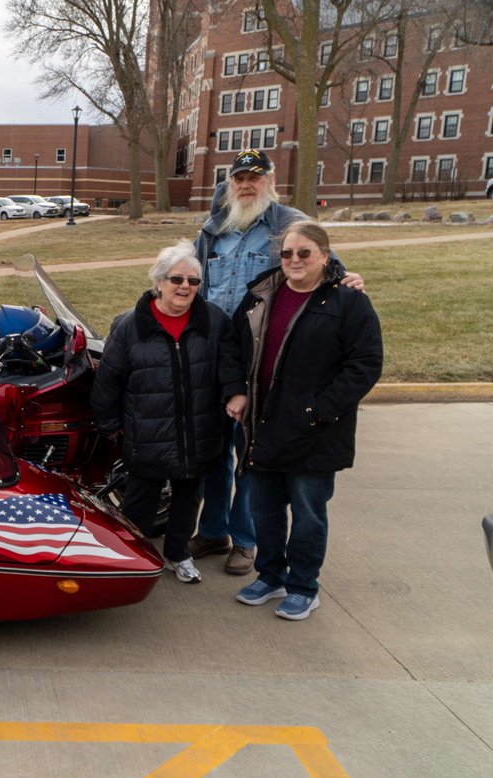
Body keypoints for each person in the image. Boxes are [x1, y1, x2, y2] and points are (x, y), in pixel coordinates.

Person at [190, 149, 364, 576]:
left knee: (250, 452)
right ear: (229, 184)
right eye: (239, 179)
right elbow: (193, 281)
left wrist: (349, 281)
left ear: (270, 181)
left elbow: (324, 266)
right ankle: (212, 531)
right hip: (214, 357)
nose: (246, 185)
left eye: (254, 177)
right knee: (212, 454)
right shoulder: (214, 229)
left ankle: (244, 539)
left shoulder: (289, 224)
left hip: (260, 359)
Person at [223, 221, 382, 620]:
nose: (294, 260)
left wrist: (318, 410)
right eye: (288, 253)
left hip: (315, 432)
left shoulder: (347, 302)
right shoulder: (261, 293)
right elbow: (231, 344)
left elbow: (364, 365)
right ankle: (270, 576)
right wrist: (236, 391)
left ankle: (303, 586)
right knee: (266, 509)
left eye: (304, 253)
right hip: (261, 425)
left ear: (325, 257)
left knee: (308, 513)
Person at [90, 241, 231, 584]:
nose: (185, 287)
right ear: (159, 281)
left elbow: (230, 368)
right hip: (147, 433)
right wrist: (109, 425)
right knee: (139, 502)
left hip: (197, 431)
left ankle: (178, 554)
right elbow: (108, 380)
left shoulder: (214, 320)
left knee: (187, 498)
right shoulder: (129, 325)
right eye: (176, 279)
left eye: (193, 281)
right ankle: (130, 559)